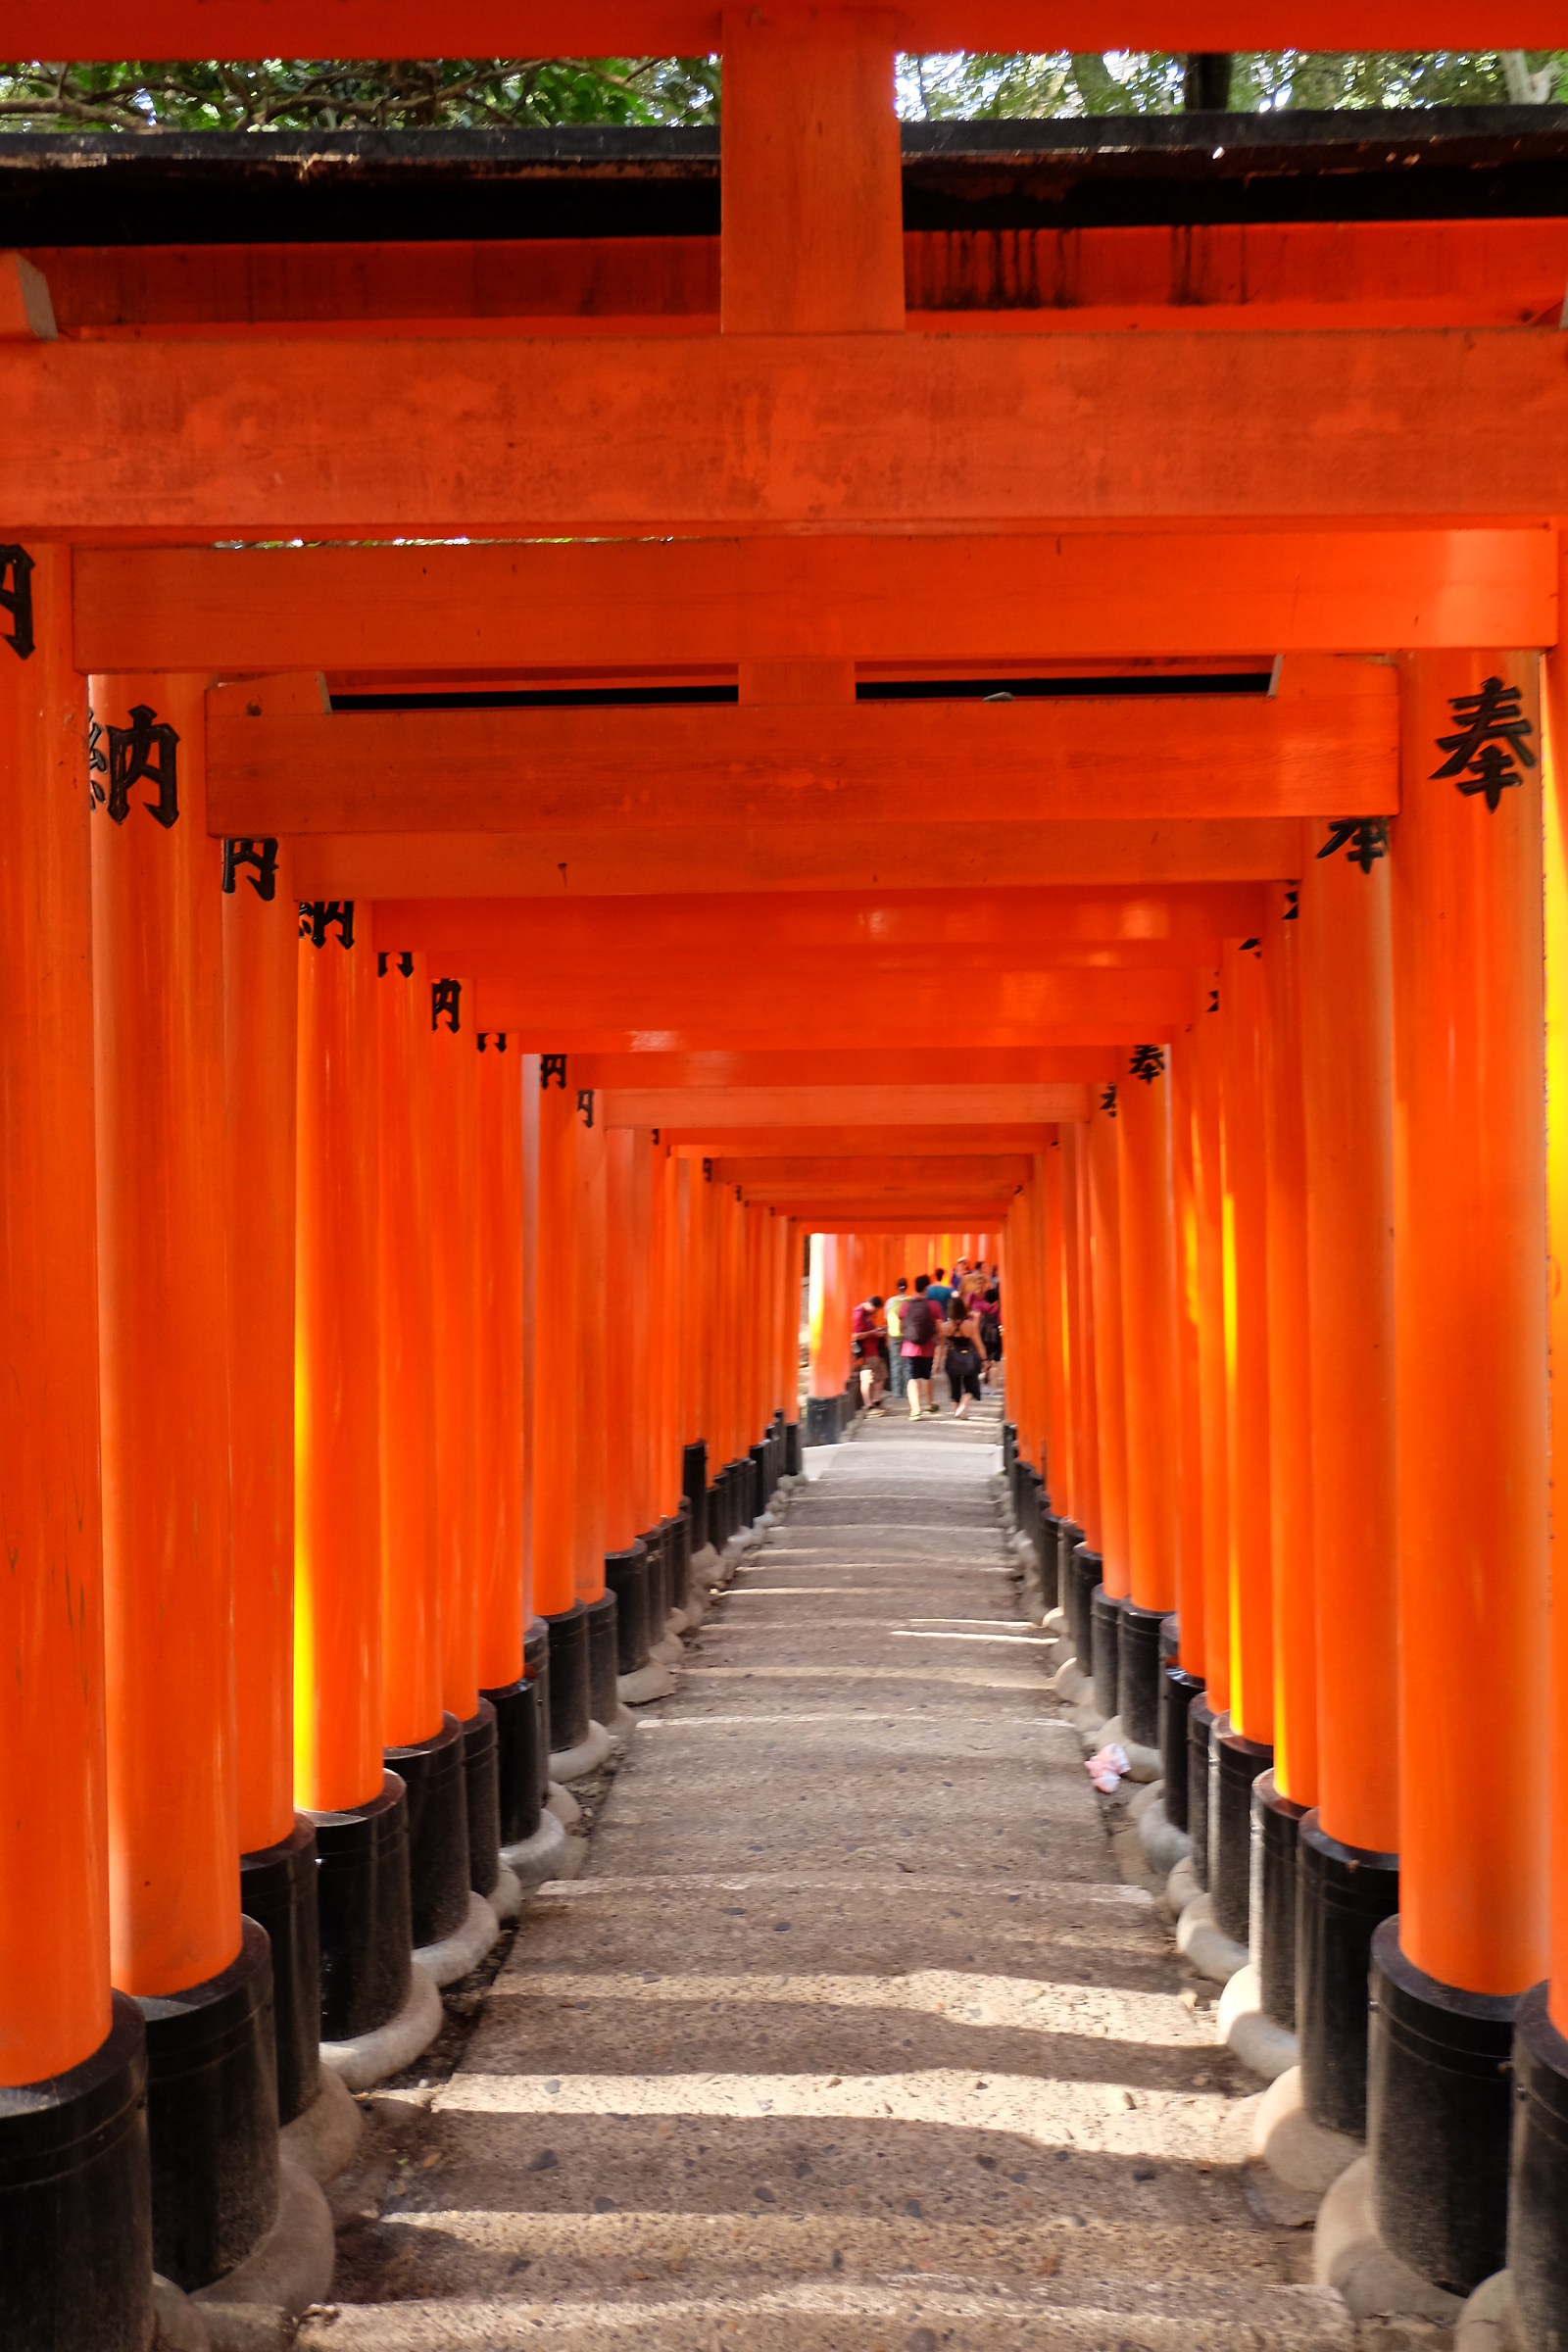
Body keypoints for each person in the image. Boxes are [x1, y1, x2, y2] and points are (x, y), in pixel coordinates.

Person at [940, 1290, 985, 1420]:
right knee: (971, 1386)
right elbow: (978, 1344)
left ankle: (957, 1410)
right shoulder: (969, 1326)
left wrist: (937, 1362)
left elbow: (941, 1346)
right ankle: (963, 1406)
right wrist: (985, 1359)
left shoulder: (945, 1326)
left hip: (952, 1358)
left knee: (955, 1386)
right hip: (968, 1358)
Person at [900, 1274, 939, 1420]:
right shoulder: (933, 1305)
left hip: (909, 1346)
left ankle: (915, 1410)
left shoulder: (906, 1305)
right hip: (927, 1346)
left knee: (912, 1377)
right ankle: (929, 1403)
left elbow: (901, 1326)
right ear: (927, 1288)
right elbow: (940, 1328)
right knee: (927, 1375)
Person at [852, 1293, 887, 1412]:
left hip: (873, 1350)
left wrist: (877, 1330)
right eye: (875, 1309)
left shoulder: (866, 1314)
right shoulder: (859, 1314)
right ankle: (869, 1405)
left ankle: (875, 1401)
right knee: (868, 1378)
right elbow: (855, 1336)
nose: (876, 1312)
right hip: (867, 1351)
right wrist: (873, 1333)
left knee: (881, 1376)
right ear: (871, 1305)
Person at [885, 1277, 909, 1403]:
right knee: (907, 1364)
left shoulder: (890, 1302)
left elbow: (886, 1318)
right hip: (907, 1336)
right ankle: (907, 1391)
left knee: (895, 1363)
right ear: (907, 1287)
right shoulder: (910, 1301)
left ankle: (896, 1391)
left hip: (894, 1334)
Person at [978, 1282, 1004, 1388]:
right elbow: (1001, 1322)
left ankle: (986, 1385)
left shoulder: (983, 1308)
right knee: (995, 1362)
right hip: (996, 1336)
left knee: (986, 1360)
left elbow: (979, 1321)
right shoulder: (999, 1310)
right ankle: (993, 1386)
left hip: (984, 1335)